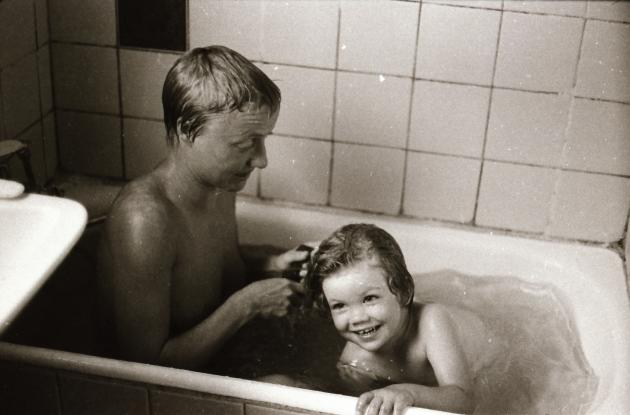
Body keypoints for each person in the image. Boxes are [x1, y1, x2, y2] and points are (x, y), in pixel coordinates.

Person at [97, 45, 310, 370]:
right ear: (186, 130)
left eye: (263, 140)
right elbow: (143, 367)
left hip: (215, 358)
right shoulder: (144, 218)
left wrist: (273, 262)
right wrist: (248, 305)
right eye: (244, 144)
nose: (261, 160)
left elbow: (216, 269)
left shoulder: (219, 186)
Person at [305, 224, 474, 415]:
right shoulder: (354, 358)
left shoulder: (432, 321)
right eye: (340, 305)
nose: (357, 318)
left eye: (369, 298)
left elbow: (464, 400)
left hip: (483, 343)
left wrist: (409, 392)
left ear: (404, 292)